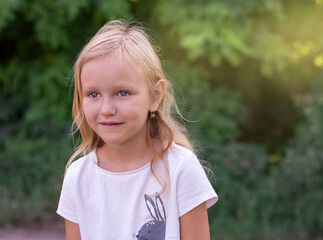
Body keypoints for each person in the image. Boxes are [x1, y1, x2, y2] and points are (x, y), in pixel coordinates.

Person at [57, 19, 218, 240]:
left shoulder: (181, 169)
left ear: (155, 96)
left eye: (122, 93)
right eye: (93, 94)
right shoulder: (78, 178)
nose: (106, 109)